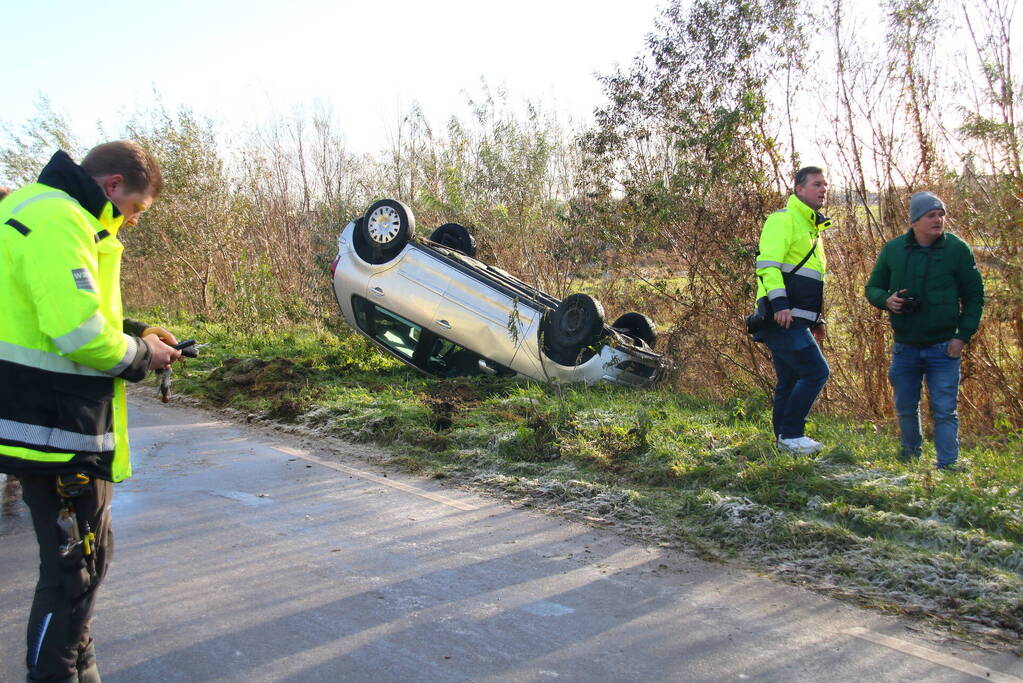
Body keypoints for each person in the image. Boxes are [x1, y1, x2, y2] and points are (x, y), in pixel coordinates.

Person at [0, 141, 183, 681]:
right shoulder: (61, 219)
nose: (131, 222)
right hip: (52, 431)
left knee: (88, 565)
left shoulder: (37, 209)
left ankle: (81, 673)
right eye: (134, 209)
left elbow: (50, 316)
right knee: (69, 578)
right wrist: (142, 355)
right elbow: (77, 333)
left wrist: (134, 333)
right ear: (111, 186)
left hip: (56, 427)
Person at [865, 191, 985, 470]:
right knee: (906, 406)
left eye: (941, 214)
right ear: (915, 220)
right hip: (905, 346)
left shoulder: (957, 250)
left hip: (944, 346)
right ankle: (910, 459)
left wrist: (961, 336)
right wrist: (887, 300)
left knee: (944, 410)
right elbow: (872, 288)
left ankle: (948, 465)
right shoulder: (893, 250)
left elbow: (975, 297)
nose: (938, 219)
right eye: (931, 215)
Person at [753, 167, 832, 454]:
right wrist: (781, 306)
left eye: (825, 184)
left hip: (798, 318)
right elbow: (767, 265)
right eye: (816, 184)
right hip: (781, 317)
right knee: (816, 372)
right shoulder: (783, 220)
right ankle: (792, 434)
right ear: (799, 189)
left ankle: (782, 442)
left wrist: (816, 319)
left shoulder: (812, 229)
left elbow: (808, 282)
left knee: (789, 380)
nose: (823, 189)